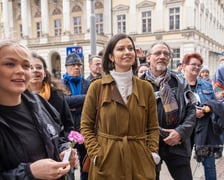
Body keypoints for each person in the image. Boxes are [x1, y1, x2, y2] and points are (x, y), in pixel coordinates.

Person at [80, 33, 160, 180]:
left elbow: (153, 126)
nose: (127, 52)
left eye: (130, 48)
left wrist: (152, 153)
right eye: (121, 49)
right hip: (107, 161)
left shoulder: (146, 87)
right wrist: (96, 154)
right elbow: (86, 125)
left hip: (140, 160)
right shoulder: (97, 87)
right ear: (111, 56)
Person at [0, 40, 79, 179]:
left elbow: (58, 136)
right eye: (9, 64)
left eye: (26, 65)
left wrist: (64, 152)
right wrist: (30, 173)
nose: (20, 70)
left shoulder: (39, 103)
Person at [142, 42, 196, 180]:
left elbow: (191, 110)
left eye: (166, 54)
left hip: (177, 143)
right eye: (158, 53)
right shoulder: (139, 84)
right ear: (148, 58)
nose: (162, 56)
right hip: (150, 144)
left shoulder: (180, 81)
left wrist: (180, 132)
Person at [182, 52, 223, 180]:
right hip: (185, 131)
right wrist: (193, 113)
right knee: (183, 165)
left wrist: (208, 108)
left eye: (199, 65)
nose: (196, 67)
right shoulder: (177, 84)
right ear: (184, 66)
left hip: (205, 132)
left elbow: (218, 102)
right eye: (193, 64)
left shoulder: (207, 84)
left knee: (209, 164)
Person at [28, 52, 74, 137]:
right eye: (30, 68)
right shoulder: (18, 97)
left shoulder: (58, 96)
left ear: (44, 72)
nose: (35, 70)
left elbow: (68, 125)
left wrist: (64, 145)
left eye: (39, 67)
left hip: (57, 147)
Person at [62, 53, 90, 180]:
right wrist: (84, 99)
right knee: (69, 165)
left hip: (86, 129)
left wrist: (72, 103)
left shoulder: (87, 84)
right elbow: (64, 102)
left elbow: (92, 103)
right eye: (73, 65)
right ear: (66, 67)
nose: (77, 67)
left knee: (86, 164)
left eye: (79, 65)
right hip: (68, 131)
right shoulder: (61, 84)